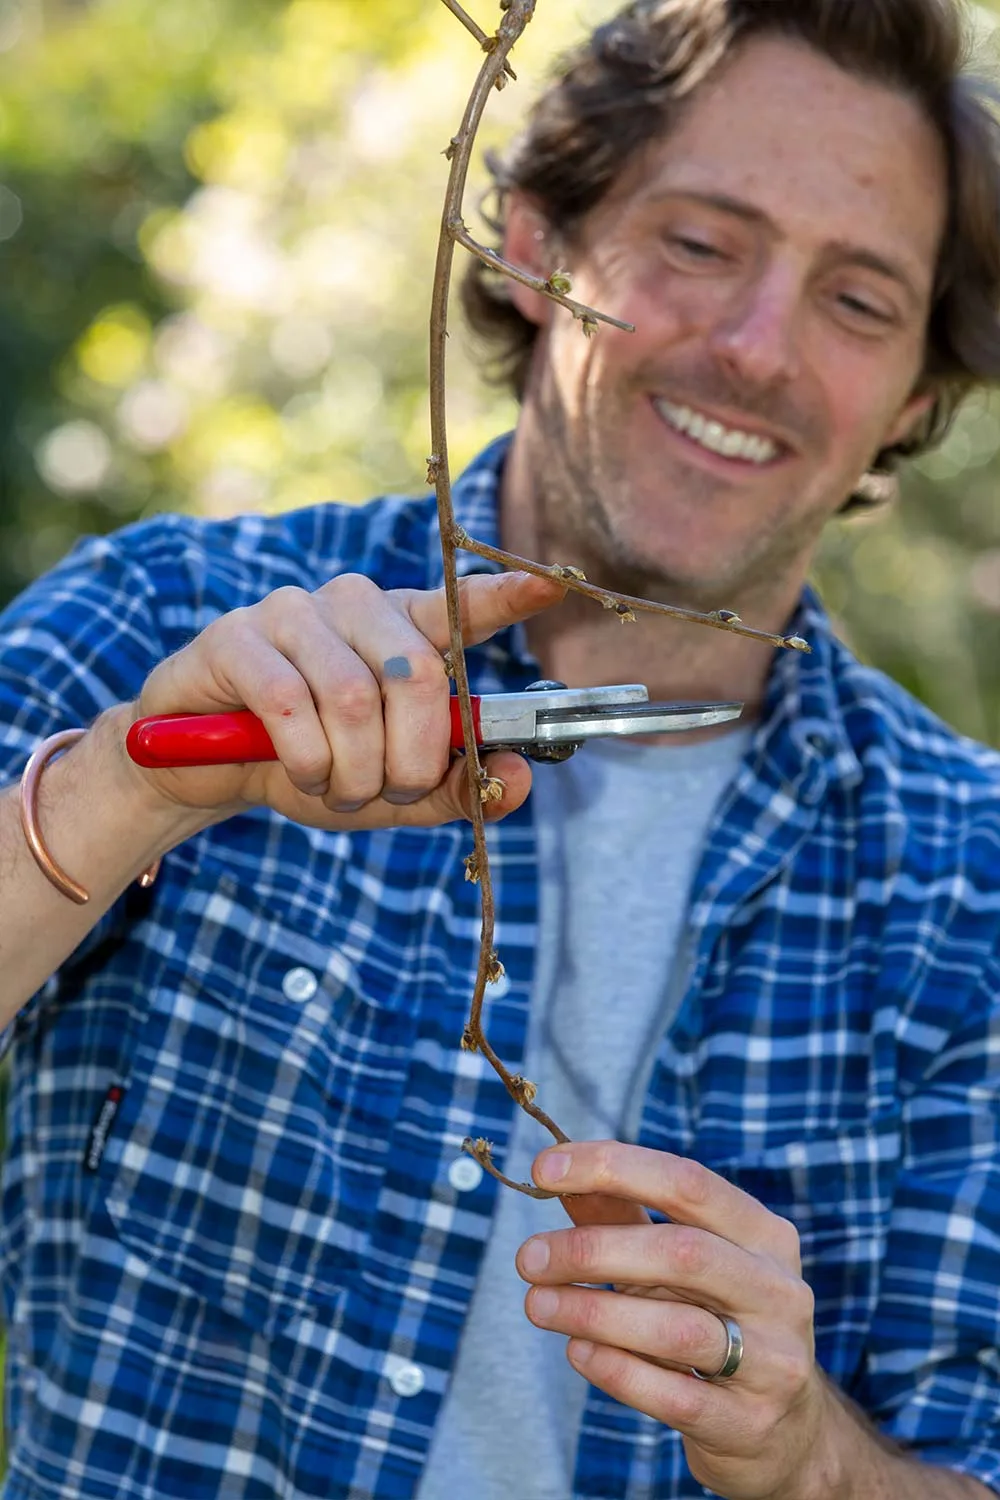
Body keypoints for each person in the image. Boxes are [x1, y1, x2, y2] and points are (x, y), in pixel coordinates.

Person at [1, 0, 999, 1495]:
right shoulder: (168, 621)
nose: (752, 348)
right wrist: (120, 792)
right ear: (537, 248)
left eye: (857, 302)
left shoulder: (972, 886)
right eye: (701, 244)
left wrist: (806, 1459)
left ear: (914, 400)